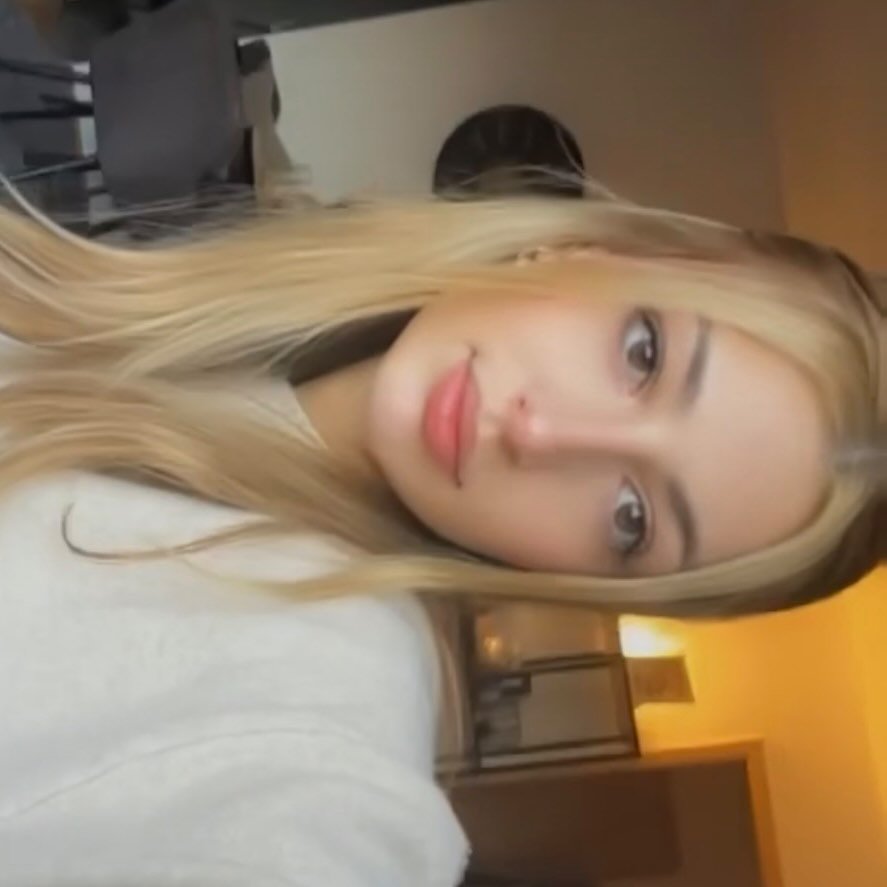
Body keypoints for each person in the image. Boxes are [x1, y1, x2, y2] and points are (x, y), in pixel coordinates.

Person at [0, 182, 883, 883]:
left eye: (631, 518)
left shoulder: (330, 728)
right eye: (642, 352)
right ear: (587, 252)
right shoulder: (221, 312)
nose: (541, 434)